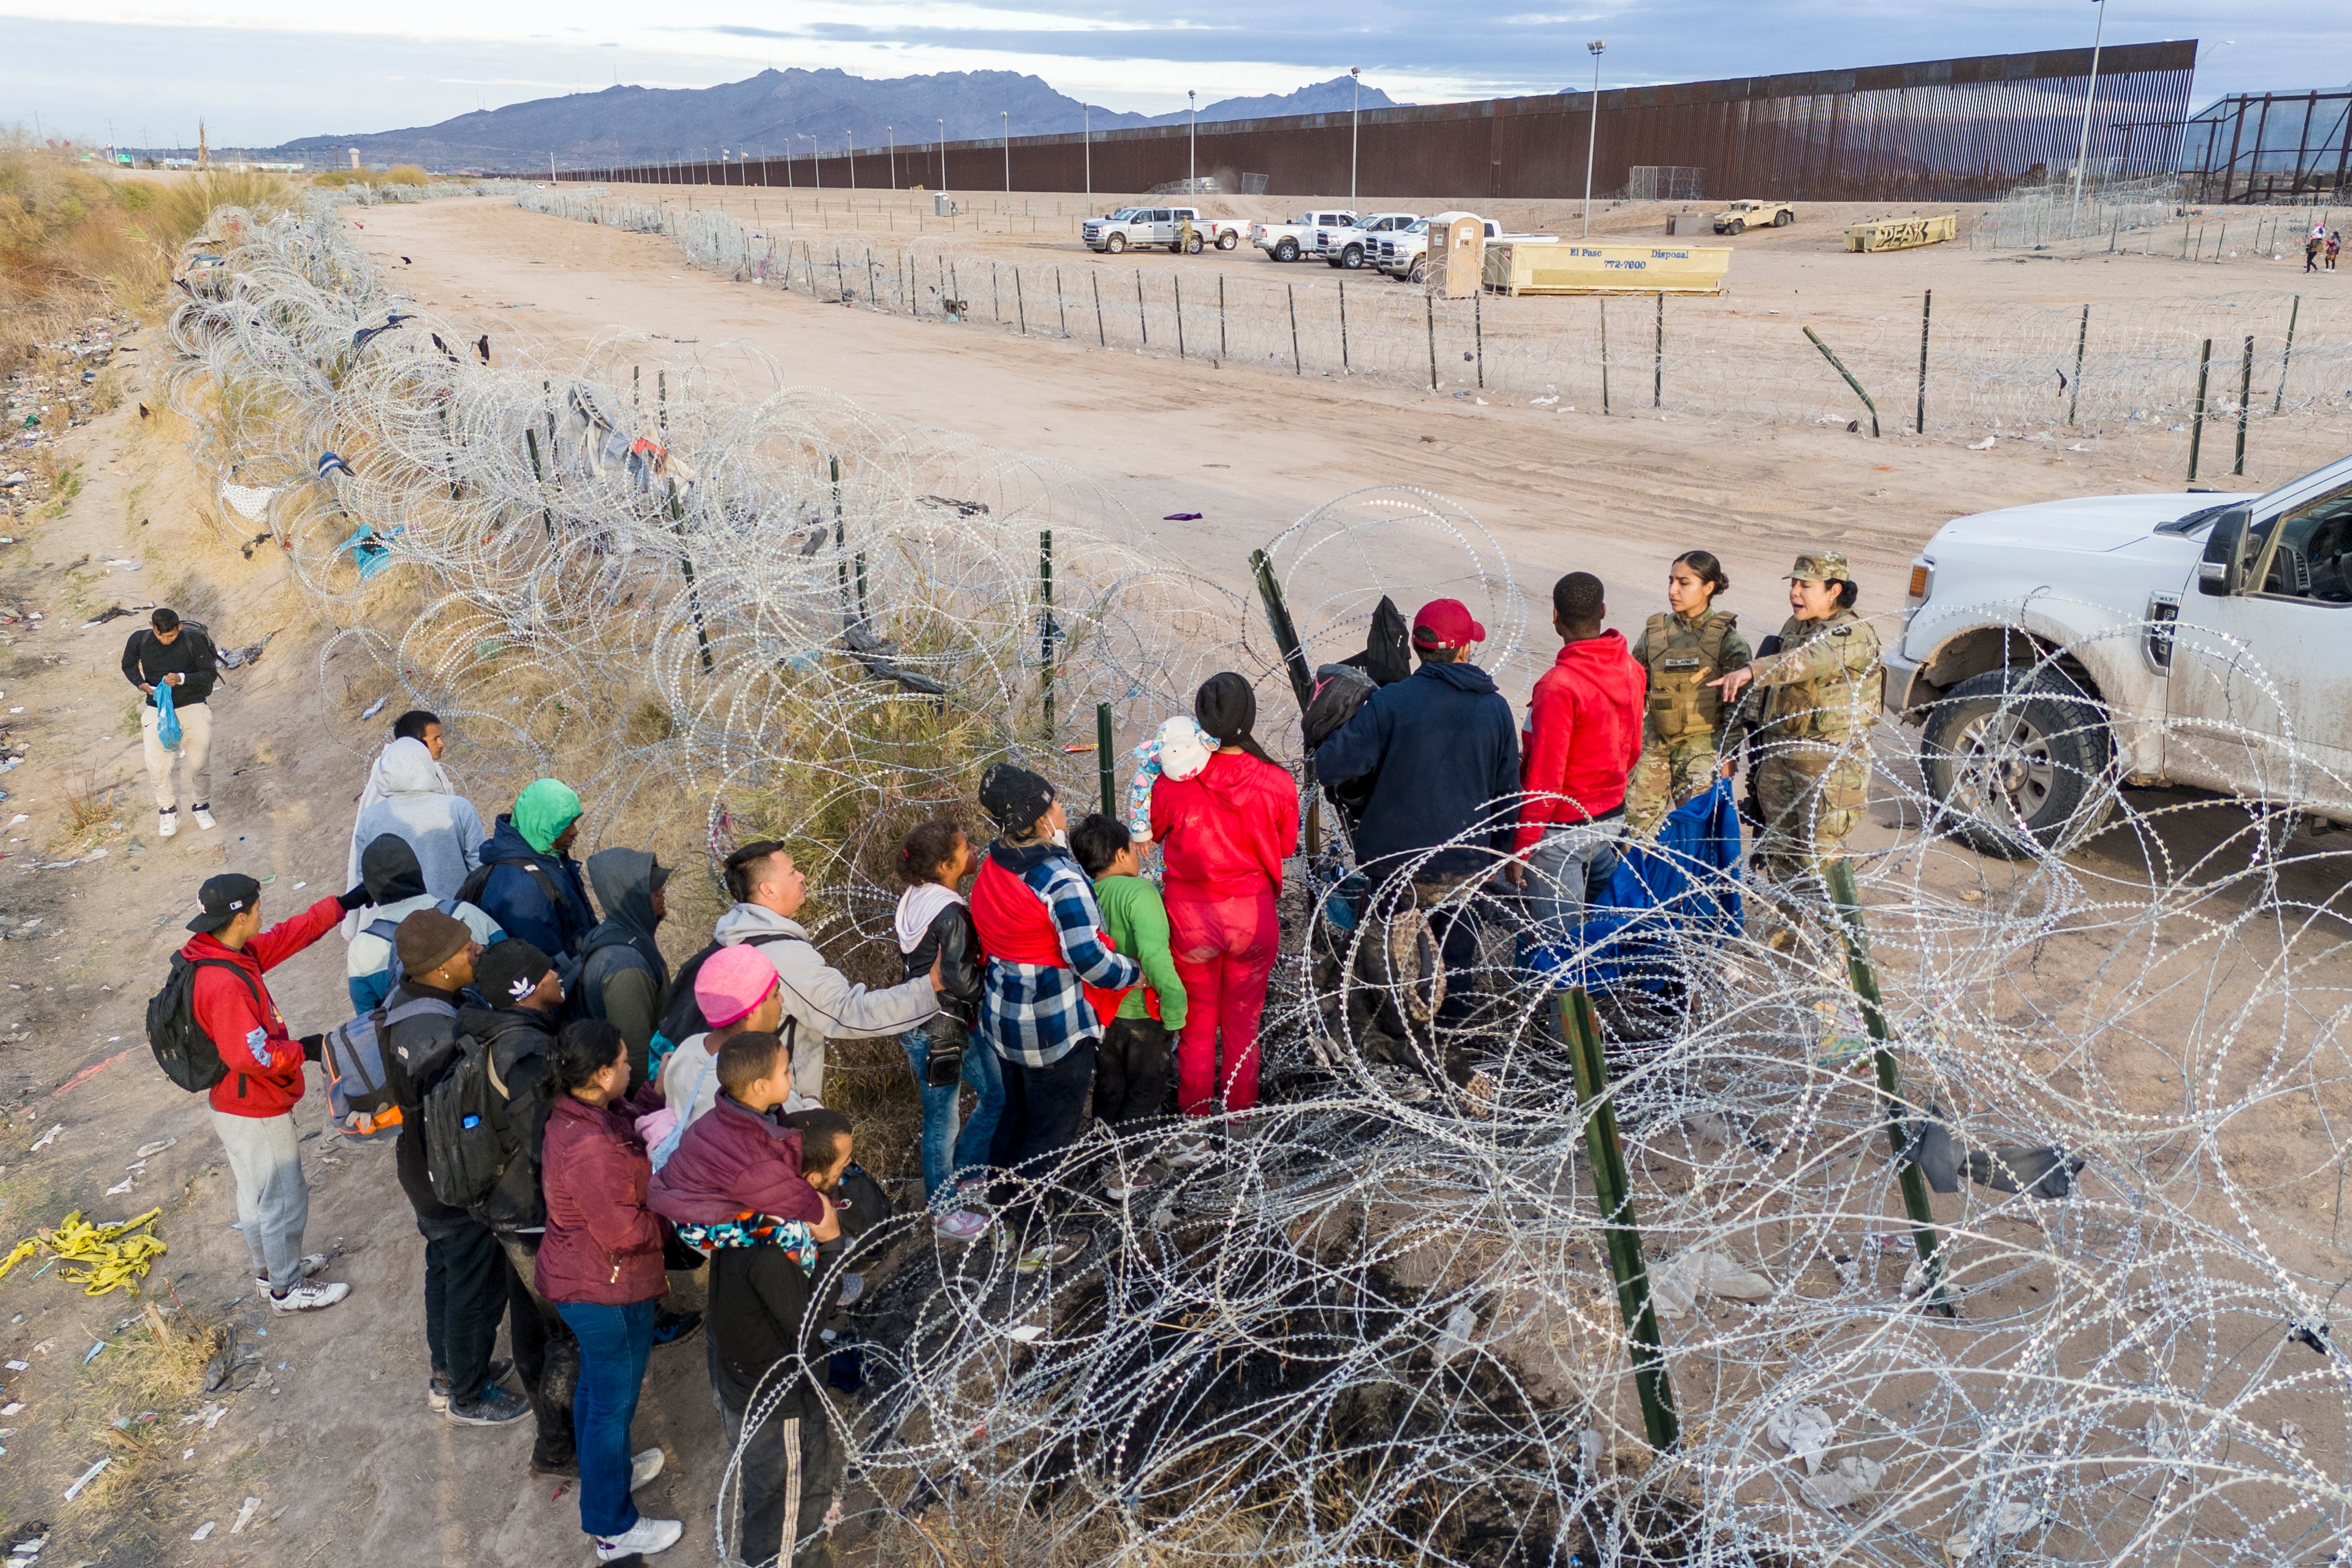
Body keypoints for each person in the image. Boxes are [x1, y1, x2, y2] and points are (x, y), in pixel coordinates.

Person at [969, 764, 1140, 1273]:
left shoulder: (995, 865)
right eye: (1053, 803)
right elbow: (1089, 960)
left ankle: (1002, 1217)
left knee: (1014, 1119)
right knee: (1049, 1136)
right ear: (1041, 819)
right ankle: (1031, 1241)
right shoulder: (1059, 879)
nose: (1061, 810)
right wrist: (1132, 972)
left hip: (1003, 1019)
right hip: (1052, 1028)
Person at [181, 872, 362, 1311]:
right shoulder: (225, 982)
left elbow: (286, 937)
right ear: (239, 917)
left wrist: (344, 903)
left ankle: (271, 1273)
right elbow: (253, 1056)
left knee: (256, 1195)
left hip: (231, 1103)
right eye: (258, 907)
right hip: (256, 1105)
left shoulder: (218, 952)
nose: (264, 914)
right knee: (283, 1197)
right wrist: (304, 1050)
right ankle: (287, 1289)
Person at [381, 909, 532, 1427]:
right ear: (442, 967)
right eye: (468, 948)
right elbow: (464, 1123)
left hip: (418, 1168)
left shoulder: (403, 1002)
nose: (478, 951)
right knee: (476, 1287)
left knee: (445, 1272)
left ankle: (447, 1373)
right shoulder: (440, 1034)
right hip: (448, 1178)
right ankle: (468, 1395)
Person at [538, 1019, 681, 1562]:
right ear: (599, 1074)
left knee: (597, 1395)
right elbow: (625, 1232)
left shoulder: (583, 1112)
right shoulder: (590, 1147)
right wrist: (677, 1214)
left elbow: (626, 1123)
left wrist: (655, 1092)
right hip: (605, 1289)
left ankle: (609, 1475)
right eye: (623, 1062)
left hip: (585, 1276)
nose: (629, 1066)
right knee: (610, 1408)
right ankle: (612, 1527)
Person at [1710, 550, 1884, 948]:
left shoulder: (1851, 633)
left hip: (1829, 764)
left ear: (1834, 590)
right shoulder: (1796, 626)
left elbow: (1806, 662)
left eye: (1806, 585)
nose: (1795, 593)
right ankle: (1790, 922)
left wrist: (1752, 670)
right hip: (1782, 754)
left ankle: (1843, 946)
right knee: (1782, 847)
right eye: (1793, 584)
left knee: (1821, 854)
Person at [706, 1106, 856, 1568]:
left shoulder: (754, 1212)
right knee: (785, 1518)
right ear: (811, 1179)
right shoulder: (773, 1247)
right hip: (777, 1402)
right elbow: (807, 1322)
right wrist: (832, 1246)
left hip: (753, 1382)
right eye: (841, 1168)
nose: (846, 1175)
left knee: (785, 1496)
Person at [1147, 673, 1293, 1130]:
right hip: (1251, 917)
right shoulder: (1276, 782)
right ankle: (1239, 1124)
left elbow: (1152, 832)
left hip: (1190, 919)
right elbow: (1286, 846)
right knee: (1242, 1027)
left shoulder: (1174, 781)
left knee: (1195, 1028)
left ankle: (1194, 1126)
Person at [460, 939, 580, 1474]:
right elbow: (545, 1145)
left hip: (505, 1206)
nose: (558, 975)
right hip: (529, 1211)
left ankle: (555, 1444)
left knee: (531, 1326)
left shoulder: (492, 1034)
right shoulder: (527, 1055)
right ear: (525, 988)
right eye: (547, 970)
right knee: (565, 1335)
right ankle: (561, 1449)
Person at [1312, 598, 1521, 888]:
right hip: (1463, 863)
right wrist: (1496, 854)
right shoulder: (1495, 709)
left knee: (1390, 921)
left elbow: (1330, 766)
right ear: (1465, 650)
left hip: (1392, 863)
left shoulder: (1390, 701)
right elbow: (1507, 793)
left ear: (1415, 646)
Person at [714, 840, 941, 1104]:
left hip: (736, 1097)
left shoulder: (732, 937)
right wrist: (930, 988)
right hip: (777, 1106)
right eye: (793, 872)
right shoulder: (781, 957)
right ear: (768, 889)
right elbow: (849, 1013)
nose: (802, 876)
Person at [1508, 573, 1647, 936]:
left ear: (1555, 616)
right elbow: (1633, 748)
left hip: (1563, 830)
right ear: (1603, 611)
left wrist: (1522, 848)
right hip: (1610, 817)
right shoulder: (1632, 670)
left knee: (1561, 941)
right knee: (1606, 926)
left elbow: (1545, 777)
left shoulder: (1558, 686)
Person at [1070, 813, 1186, 1191]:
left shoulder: (1086, 895)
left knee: (1110, 1087)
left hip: (1103, 1014)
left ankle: (1104, 1158)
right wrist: (1176, 1007)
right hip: (1143, 1013)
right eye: (1134, 851)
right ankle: (1127, 1173)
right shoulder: (1140, 893)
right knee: (1144, 1091)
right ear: (1122, 854)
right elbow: (1154, 955)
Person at [891, 820, 993, 1241]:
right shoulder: (950, 913)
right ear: (947, 865)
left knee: (996, 1094)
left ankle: (966, 1172)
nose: (974, 850)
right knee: (941, 1121)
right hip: (942, 1030)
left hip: (934, 1023)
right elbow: (962, 981)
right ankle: (944, 1209)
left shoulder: (917, 898)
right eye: (966, 847)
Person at [1625, 552, 1753, 839]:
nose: (1673, 590)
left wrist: (1727, 756)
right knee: (1635, 828)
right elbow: (1634, 688)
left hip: (1702, 747)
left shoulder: (1727, 639)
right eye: (1671, 581)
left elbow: (1738, 705)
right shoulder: (1655, 634)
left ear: (1708, 587)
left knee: (1696, 834)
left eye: (1684, 583)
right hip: (1656, 740)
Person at [341, 734, 486, 938]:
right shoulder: (457, 807)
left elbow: (366, 876)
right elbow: (480, 869)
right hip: (457, 921)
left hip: (400, 932)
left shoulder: (370, 818)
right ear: (427, 765)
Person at [344, 833, 501, 1012]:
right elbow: (513, 964)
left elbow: (368, 1019)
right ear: (418, 871)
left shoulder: (360, 950)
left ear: (370, 888)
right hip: (491, 1023)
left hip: (418, 1028)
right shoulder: (466, 913)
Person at [656, 945, 792, 1142]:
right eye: (775, 994)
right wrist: (812, 1103)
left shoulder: (688, 1048)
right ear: (752, 1011)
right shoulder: (755, 1078)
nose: (782, 999)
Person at [472, 778, 598, 962]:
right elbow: (542, 965)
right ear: (541, 824)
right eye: (565, 825)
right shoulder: (523, 888)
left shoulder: (548, 857)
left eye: (574, 822)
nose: (574, 831)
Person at [122, 606, 220, 839]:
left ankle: (201, 807)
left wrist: (182, 679)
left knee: (199, 763)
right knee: (157, 764)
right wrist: (141, 684)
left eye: (172, 635)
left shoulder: (193, 641)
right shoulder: (139, 641)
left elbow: (210, 673)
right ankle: (168, 811)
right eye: (162, 636)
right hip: (157, 709)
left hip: (192, 705)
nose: (167, 640)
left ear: (180, 628)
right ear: (152, 627)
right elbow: (128, 666)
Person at [579, 848, 674, 1084]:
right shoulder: (627, 967)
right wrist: (652, 1101)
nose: (661, 891)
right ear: (632, 897)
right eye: (652, 887)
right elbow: (635, 1058)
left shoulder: (617, 934)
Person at [1124, 715, 1215, 851]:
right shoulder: (1156, 758)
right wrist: (1141, 830)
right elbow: (1142, 786)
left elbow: (1142, 787)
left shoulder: (1204, 742)